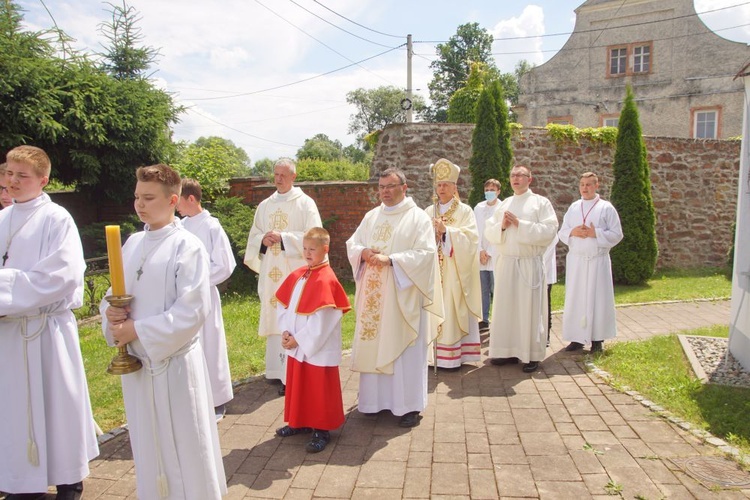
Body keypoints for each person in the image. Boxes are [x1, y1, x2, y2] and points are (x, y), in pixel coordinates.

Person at [101, 164, 226, 500]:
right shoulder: (131, 244)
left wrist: (135, 330)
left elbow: (193, 311)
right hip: (140, 369)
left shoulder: (188, 246)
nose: (139, 204)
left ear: (173, 200)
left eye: (149, 197)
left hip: (174, 367)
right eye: (137, 197)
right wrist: (110, 313)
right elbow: (114, 292)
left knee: (185, 443)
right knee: (148, 442)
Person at [0, 145, 99, 500]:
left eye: (22, 175)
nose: (12, 181)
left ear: (43, 180)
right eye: (8, 173)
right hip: (9, 335)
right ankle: (20, 480)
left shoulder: (56, 219)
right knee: (13, 408)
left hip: (44, 331)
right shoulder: (2, 219)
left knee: (56, 406)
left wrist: (5, 292)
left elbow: (64, 275)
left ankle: (68, 478)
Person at [346, 167, 443, 428]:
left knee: (405, 351)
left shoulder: (417, 218)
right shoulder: (371, 216)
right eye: (381, 187)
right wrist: (364, 252)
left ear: (404, 187)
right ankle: (373, 402)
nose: (385, 192)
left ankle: (408, 406)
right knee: (375, 344)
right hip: (374, 299)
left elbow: (425, 254)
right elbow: (352, 244)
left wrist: (391, 260)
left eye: (390, 186)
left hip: (403, 297)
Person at [244, 158, 322, 396]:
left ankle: (294, 373)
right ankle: (277, 371)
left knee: (293, 316)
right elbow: (255, 234)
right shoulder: (265, 205)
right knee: (275, 316)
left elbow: (315, 236)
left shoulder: (305, 203)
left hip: (294, 270)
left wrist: (285, 237)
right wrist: (263, 239)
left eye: (283, 175)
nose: (278, 179)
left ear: (293, 177)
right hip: (272, 271)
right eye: (276, 174)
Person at [274, 227, 351, 453]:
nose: (307, 253)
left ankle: (321, 429)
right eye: (305, 249)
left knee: (318, 387)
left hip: (316, 346)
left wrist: (300, 340)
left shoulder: (326, 279)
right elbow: (283, 306)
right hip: (297, 344)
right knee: (299, 383)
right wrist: (286, 332)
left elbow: (324, 320)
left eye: (312, 249)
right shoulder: (299, 274)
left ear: (325, 250)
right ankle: (299, 422)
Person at [485, 165, 558, 373]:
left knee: (528, 309)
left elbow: (549, 230)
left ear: (530, 179)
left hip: (528, 263)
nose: (516, 178)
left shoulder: (540, 203)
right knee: (506, 307)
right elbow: (490, 230)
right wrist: (502, 227)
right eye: (513, 175)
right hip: (507, 263)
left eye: (520, 175)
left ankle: (531, 354)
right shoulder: (505, 203)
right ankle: (506, 351)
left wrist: (520, 224)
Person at [177, 178, 236, 422]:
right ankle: (189, 398)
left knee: (209, 345)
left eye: (178, 200)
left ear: (191, 199)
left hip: (204, 296)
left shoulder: (212, 227)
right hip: (181, 299)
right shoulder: (179, 226)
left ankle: (216, 400)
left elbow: (224, 265)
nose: (175, 206)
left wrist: (196, 282)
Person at [424, 158, 482, 369]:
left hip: (454, 271)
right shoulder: (428, 211)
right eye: (439, 184)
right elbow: (420, 241)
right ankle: (432, 356)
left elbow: (472, 240)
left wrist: (447, 232)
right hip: (434, 271)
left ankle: (454, 357)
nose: (441, 189)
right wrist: (432, 233)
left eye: (446, 184)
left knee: (451, 306)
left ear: (454, 187)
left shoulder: (464, 211)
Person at [558, 172, 623, 353]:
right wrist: (573, 232)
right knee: (576, 299)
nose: (585, 188)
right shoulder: (574, 207)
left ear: (596, 186)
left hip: (597, 261)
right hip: (577, 261)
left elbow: (617, 234)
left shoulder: (606, 208)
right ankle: (576, 338)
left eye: (588, 184)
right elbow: (562, 232)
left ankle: (597, 340)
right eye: (582, 184)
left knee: (598, 299)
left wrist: (597, 234)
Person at [473, 178, 502, 332]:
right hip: (480, 253)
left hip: (495, 253)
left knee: (496, 287)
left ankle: (498, 318)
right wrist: (480, 250)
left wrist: (489, 252)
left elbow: (499, 230)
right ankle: (484, 318)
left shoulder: (502, 207)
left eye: (492, 189)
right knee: (483, 288)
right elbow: (475, 230)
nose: (489, 192)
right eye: (487, 190)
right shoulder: (478, 208)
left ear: (498, 191)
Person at [544, 234, 559, 346]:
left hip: (544, 267)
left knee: (545, 305)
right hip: (526, 268)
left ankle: (546, 335)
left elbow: (552, 238)